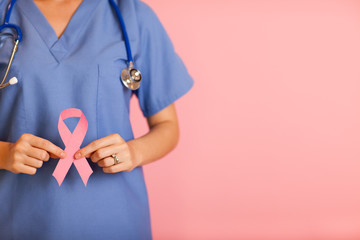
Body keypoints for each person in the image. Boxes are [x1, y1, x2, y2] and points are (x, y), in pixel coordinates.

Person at [0, 0, 194, 239]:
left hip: (115, 218)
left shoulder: (132, 15)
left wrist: (134, 152)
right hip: (18, 219)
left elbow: (167, 127)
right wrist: (4, 154)